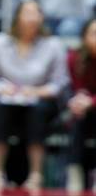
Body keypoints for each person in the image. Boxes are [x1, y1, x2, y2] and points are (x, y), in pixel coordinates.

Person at [0, 0, 69, 191]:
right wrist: (1, 89)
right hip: (7, 99)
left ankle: (36, 174)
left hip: (40, 100)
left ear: (42, 18)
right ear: (17, 17)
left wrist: (37, 91)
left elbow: (60, 83)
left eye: (35, 13)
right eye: (27, 13)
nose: (31, 18)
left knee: (38, 112)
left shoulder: (53, 45)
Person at [66, 18, 96, 193]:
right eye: (93, 33)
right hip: (82, 111)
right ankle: (74, 174)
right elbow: (72, 87)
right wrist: (77, 100)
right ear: (84, 37)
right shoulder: (74, 57)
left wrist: (90, 102)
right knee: (77, 119)